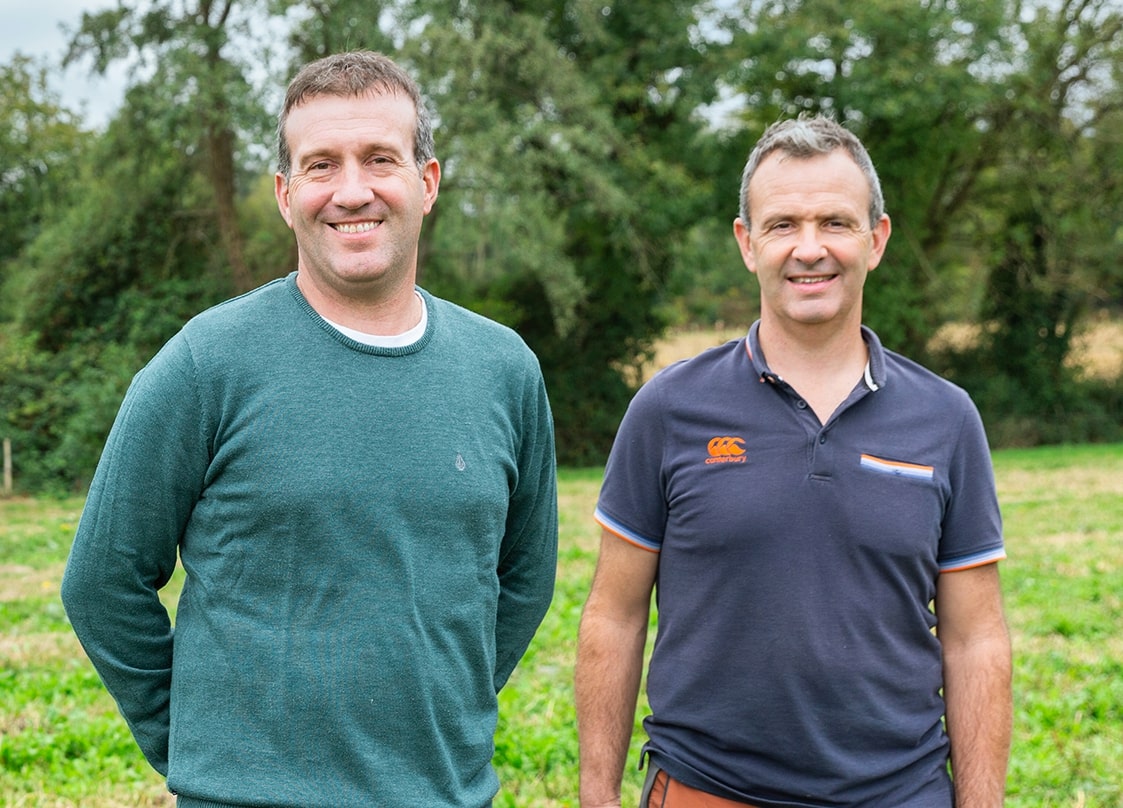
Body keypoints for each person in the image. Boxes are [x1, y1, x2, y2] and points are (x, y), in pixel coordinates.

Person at [61, 50, 558, 808]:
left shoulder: (504, 369)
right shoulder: (204, 364)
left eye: (379, 159)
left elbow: (524, 575)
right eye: (321, 165)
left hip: (447, 795)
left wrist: (449, 708)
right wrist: (199, 747)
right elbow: (102, 583)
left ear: (426, 182)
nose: (352, 190)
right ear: (285, 193)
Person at [575, 115, 1011, 808]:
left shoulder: (946, 418)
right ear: (747, 245)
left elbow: (974, 637)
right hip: (706, 790)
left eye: (835, 222)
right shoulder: (668, 409)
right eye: (782, 225)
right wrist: (595, 799)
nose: (809, 249)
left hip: (898, 792)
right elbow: (613, 616)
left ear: (877, 239)